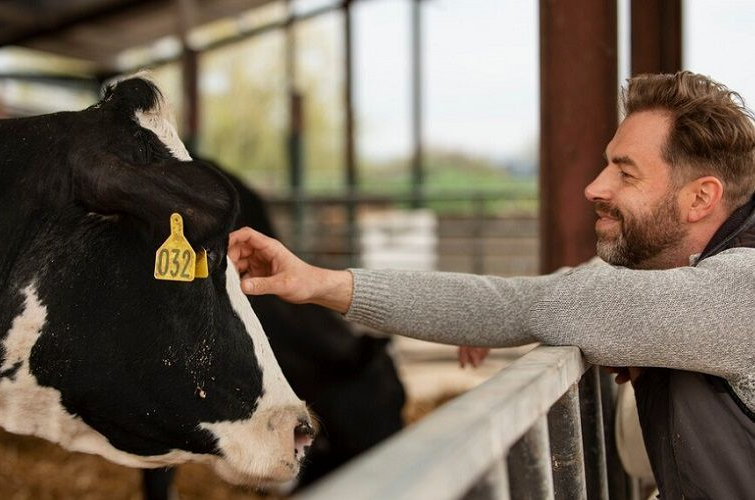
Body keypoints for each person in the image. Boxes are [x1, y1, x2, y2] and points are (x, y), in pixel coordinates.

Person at [227, 71, 755, 499]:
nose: (595, 187)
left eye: (626, 173)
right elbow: (563, 295)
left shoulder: (733, 293)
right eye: (605, 166)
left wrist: (319, 284)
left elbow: (538, 304)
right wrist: (318, 282)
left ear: (700, 199)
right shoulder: (689, 275)